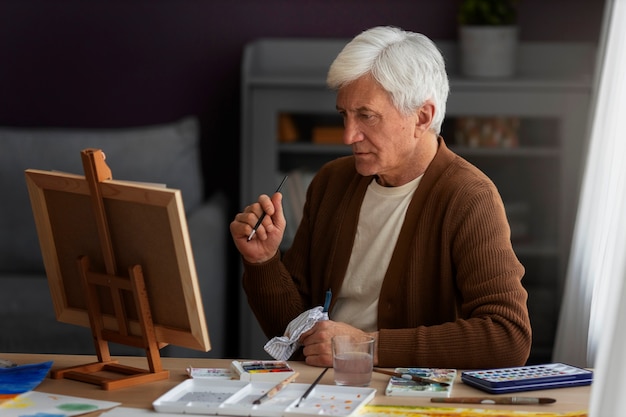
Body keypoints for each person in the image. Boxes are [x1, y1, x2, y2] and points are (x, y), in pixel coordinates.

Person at [230, 26, 531, 369]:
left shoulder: (469, 197)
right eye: (344, 114)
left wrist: (368, 346)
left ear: (422, 116)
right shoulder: (331, 182)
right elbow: (293, 334)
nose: (348, 135)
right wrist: (263, 262)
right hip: (327, 388)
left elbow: (509, 337)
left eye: (366, 115)